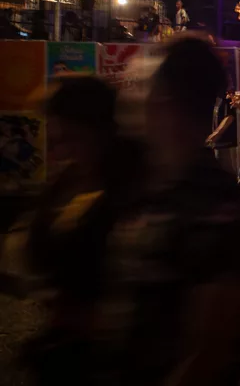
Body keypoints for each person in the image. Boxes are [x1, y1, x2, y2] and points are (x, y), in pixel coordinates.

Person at [99, 35, 240, 384]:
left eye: (139, 84)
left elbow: (209, 349)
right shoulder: (146, 183)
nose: (128, 94)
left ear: (164, 98)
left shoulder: (215, 205)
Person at [21, 76, 136, 384]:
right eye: (56, 140)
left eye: (67, 138)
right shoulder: (69, 179)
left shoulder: (132, 194)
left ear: (97, 130)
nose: (57, 152)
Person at [206, 88, 240, 177]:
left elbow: (229, 116)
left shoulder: (226, 96)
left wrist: (216, 134)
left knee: (228, 173)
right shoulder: (218, 97)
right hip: (219, 143)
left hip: (227, 143)